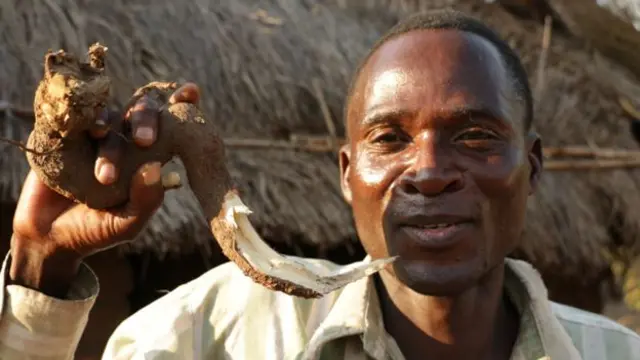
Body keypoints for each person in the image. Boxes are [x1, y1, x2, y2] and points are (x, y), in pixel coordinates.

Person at [1, 9, 639, 360]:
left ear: (530, 168)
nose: (430, 172)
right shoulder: (211, 335)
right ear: (344, 174)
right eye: (389, 139)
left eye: (475, 137)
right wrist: (41, 260)